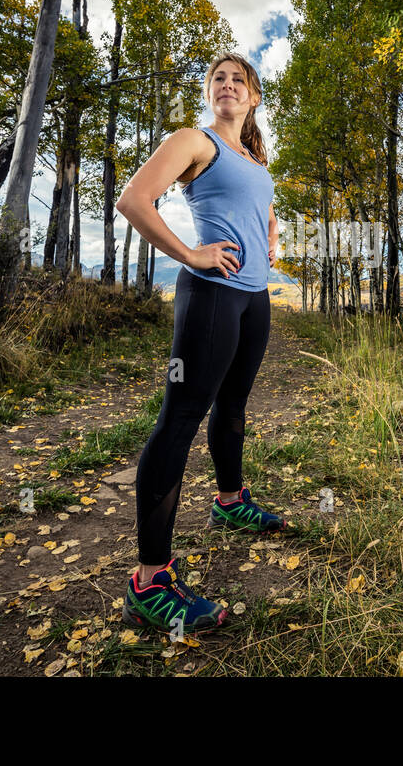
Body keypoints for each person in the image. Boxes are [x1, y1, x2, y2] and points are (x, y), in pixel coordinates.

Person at [113, 52, 287, 635]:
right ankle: (149, 582)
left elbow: (261, 210)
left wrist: (269, 237)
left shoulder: (254, 158)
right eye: (218, 78)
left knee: (233, 405)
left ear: (254, 97)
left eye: (239, 79)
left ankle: (229, 502)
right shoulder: (194, 141)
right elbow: (133, 200)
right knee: (180, 419)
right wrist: (191, 254)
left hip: (254, 297)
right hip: (211, 294)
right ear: (209, 93)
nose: (228, 84)